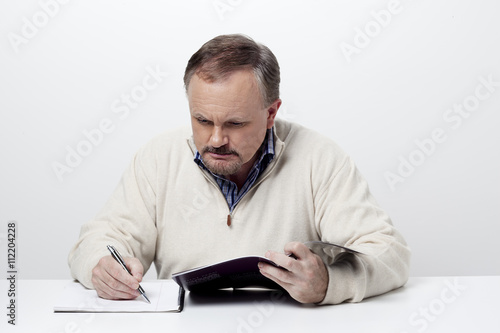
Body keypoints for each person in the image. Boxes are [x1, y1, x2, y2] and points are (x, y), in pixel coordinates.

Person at [68, 34, 410, 305]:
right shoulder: (157, 158)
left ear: (271, 114)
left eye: (235, 123)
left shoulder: (319, 158)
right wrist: (101, 266)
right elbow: (97, 240)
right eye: (202, 120)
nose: (216, 139)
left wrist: (330, 284)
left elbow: (390, 254)